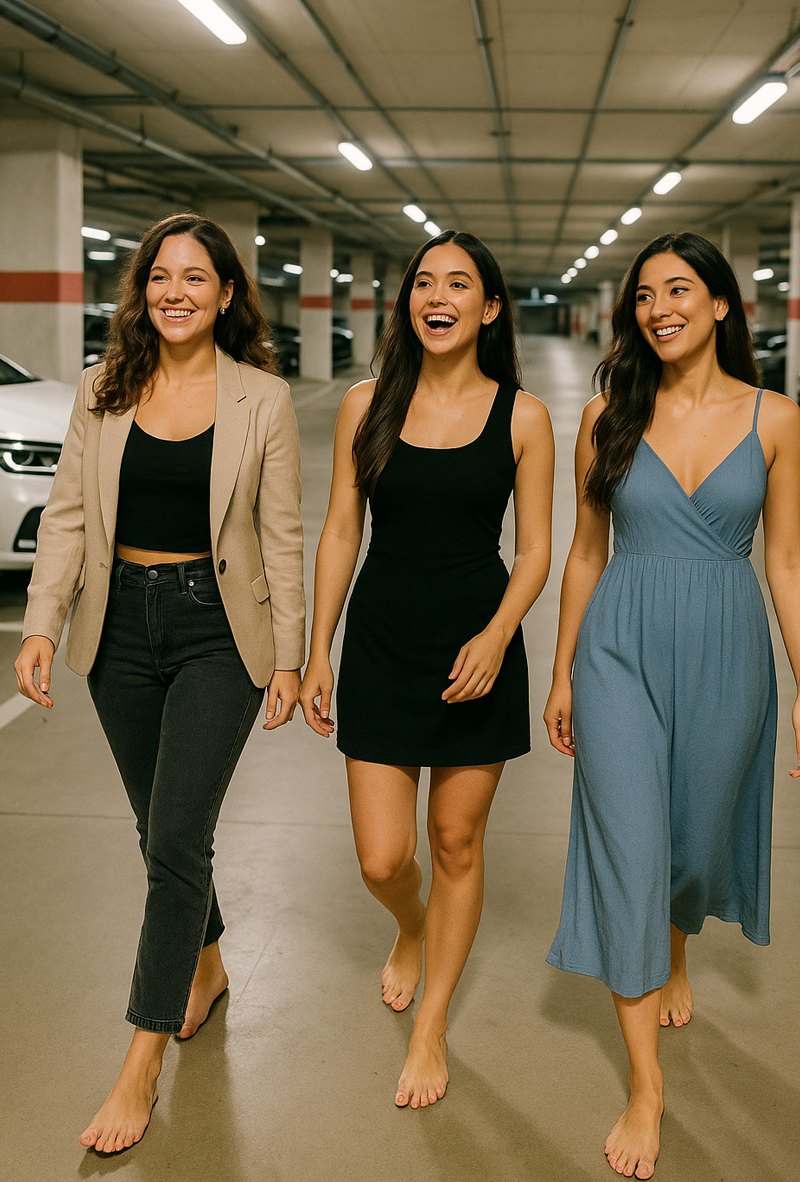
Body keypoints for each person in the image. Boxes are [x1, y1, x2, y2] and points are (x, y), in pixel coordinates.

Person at [14, 213, 305, 1154]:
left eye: (196, 277)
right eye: (159, 276)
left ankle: (141, 1058)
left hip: (218, 631)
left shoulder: (262, 398)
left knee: (177, 832)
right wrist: (42, 623)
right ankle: (209, 967)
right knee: (159, 830)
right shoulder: (106, 388)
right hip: (119, 630)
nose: (175, 291)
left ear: (226, 294)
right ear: (143, 292)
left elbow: (282, 537)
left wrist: (292, 655)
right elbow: (64, 514)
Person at [544, 231, 800, 1179]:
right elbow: (584, 553)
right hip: (619, 649)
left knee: (691, 849)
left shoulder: (778, 420)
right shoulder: (608, 414)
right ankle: (646, 1086)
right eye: (644, 295)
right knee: (632, 849)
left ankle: (677, 947)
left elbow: (785, 562)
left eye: (680, 290)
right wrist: (564, 671)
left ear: (723, 305)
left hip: (728, 650)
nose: (659, 308)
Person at [300, 230, 554, 1108]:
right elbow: (341, 530)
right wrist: (317, 648)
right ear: (409, 302)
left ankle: (433, 1021)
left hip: (475, 648)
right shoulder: (365, 404)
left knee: (455, 843)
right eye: (423, 282)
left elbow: (535, 553)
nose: (435, 296)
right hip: (379, 640)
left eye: (459, 284)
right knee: (383, 859)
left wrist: (497, 636)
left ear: (489, 309)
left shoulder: (523, 415)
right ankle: (409, 927)